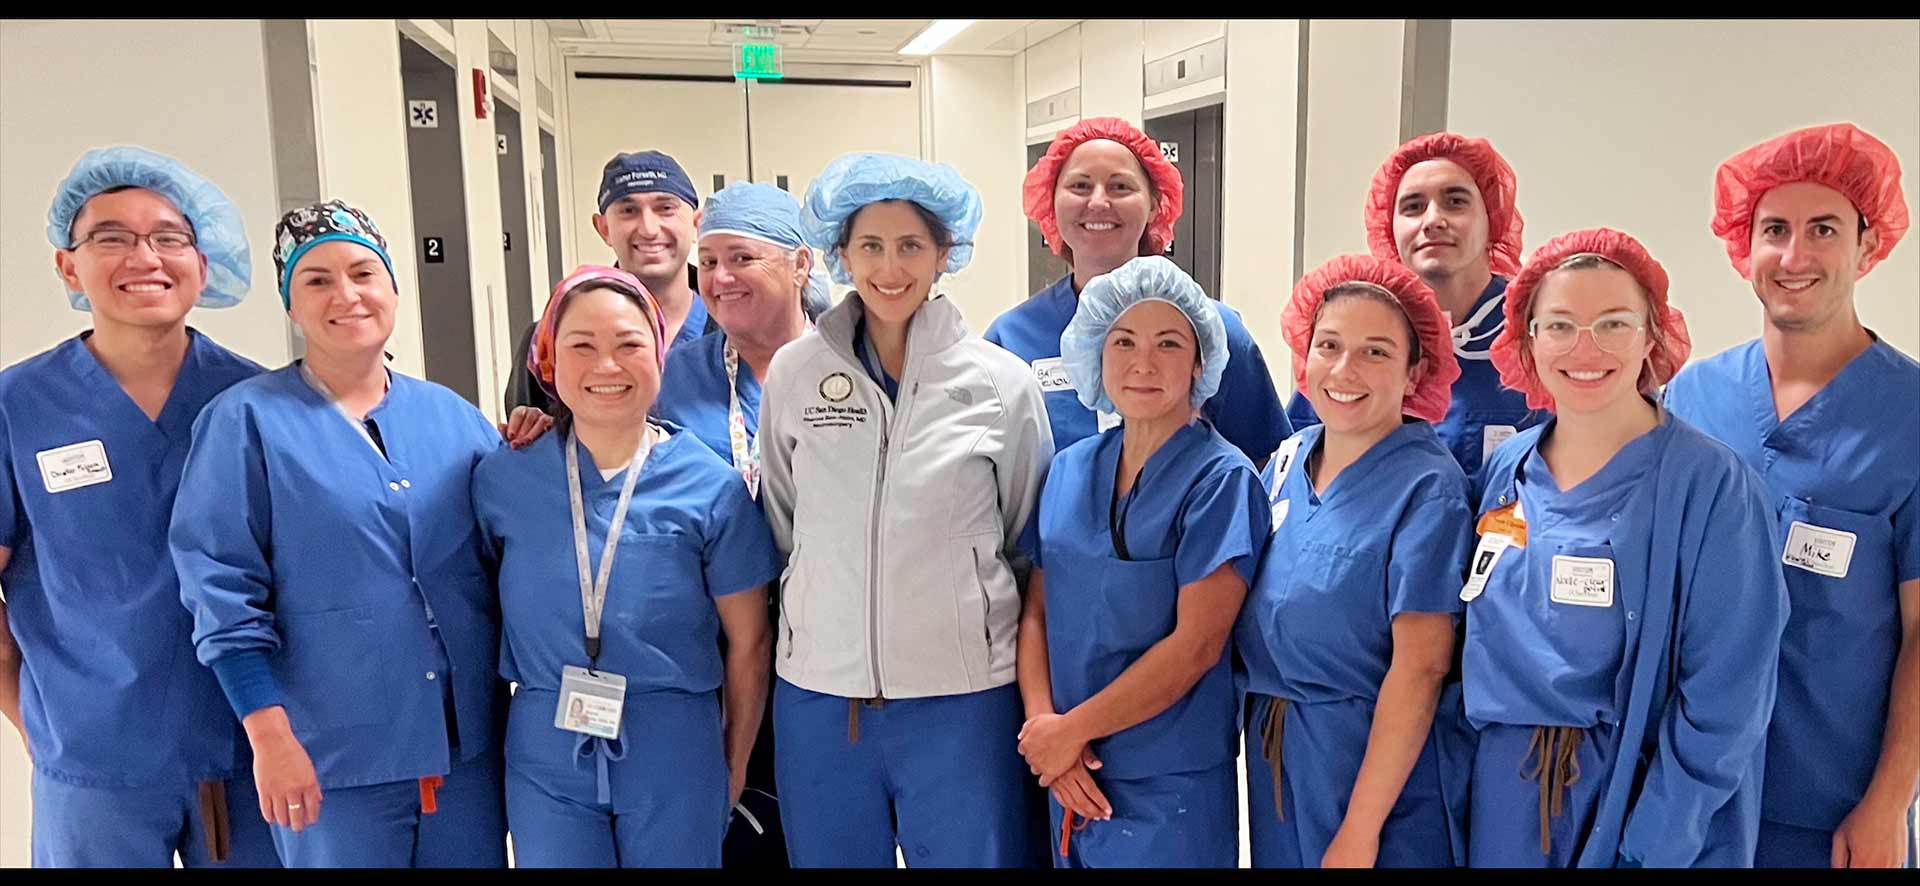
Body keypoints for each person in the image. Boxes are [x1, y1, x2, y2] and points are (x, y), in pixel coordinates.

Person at [171, 200, 510, 867]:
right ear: (290, 305)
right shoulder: (245, 423)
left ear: (392, 289)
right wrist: (270, 738)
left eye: (363, 273)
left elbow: (506, 552)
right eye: (317, 280)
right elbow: (220, 588)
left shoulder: (453, 418)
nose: (346, 295)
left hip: (465, 750)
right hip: (329, 758)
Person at [758, 152, 1053, 867]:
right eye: (871, 246)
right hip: (823, 697)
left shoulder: (1001, 384)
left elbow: (1021, 534)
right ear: (840, 253)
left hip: (964, 699)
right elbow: (785, 519)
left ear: (946, 252)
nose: (890, 268)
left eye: (911, 246)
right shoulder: (797, 374)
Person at [1465, 227, 1788, 867]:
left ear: (1651, 335)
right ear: (1527, 339)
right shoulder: (1506, 471)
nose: (1585, 348)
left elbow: (1727, 697)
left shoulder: (1711, 485)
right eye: (1559, 325)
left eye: (1613, 324)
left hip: (1634, 800)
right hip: (1501, 802)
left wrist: (1656, 843)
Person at [0, 146, 280, 868]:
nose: (144, 257)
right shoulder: (18, 407)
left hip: (250, 748)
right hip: (94, 762)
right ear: (69, 265)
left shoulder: (255, 401)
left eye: (169, 237)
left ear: (204, 259)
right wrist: (36, 723)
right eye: (111, 237)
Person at [1665, 122, 1917, 869]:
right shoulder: (1693, 398)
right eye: (1773, 229)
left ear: (1869, 246)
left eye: (1823, 229)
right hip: (1689, 797)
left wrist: (1889, 801)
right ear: (1745, 246)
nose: (1794, 256)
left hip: (1830, 810)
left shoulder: (1908, 416)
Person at [472, 265, 778, 867]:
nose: (607, 366)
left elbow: (750, 642)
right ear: (549, 363)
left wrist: (734, 759)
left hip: (674, 739)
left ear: (660, 356)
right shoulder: (503, 477)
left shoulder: (710, 487)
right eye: (581, 346)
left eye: (629, 344)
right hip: (546, 737)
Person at [1016, 255, 1265, 866]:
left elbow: (1196, 647)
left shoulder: (1221, 480)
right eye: (1122, 340)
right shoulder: (1071, 468)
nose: (1143, 363)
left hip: (1168, 779)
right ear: (1095, 354)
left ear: (1201, 361)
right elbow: (1037, 614)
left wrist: (1072, 733)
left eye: (1169, 343)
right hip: (1067, 771)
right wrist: (1046, 729)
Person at [1236, 254, 1474, 868]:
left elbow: (1420, 669)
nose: (1344, 369)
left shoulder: (1428, 487)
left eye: (1375, 352)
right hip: (1278, 754)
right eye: (1329, 345)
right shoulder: (1287, 461)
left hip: (1369, 761)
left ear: (1414, 369)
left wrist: (1362, 827)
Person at [986, 117, 1289, 464]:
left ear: (1154, 204)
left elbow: (1266, 462)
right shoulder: (1010, 338)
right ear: (1050, 203)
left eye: (1120, 187)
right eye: (1080, 186)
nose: (1098, 202)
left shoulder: (1214, 330)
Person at [1289, 133, 1543, 477]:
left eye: (1455, 202)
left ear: (1492, 219)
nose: (1433, 220)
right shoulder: (1349, 337)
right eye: (1412, 207)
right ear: (1389, 227)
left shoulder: (1539, 336)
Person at [505, 150, 715, 415]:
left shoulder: (732, 334)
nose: (649, 229)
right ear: (603, 228)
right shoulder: (552, 339)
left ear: (697, 223)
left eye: (665, 209)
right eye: (629, 211)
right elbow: (532, 440)